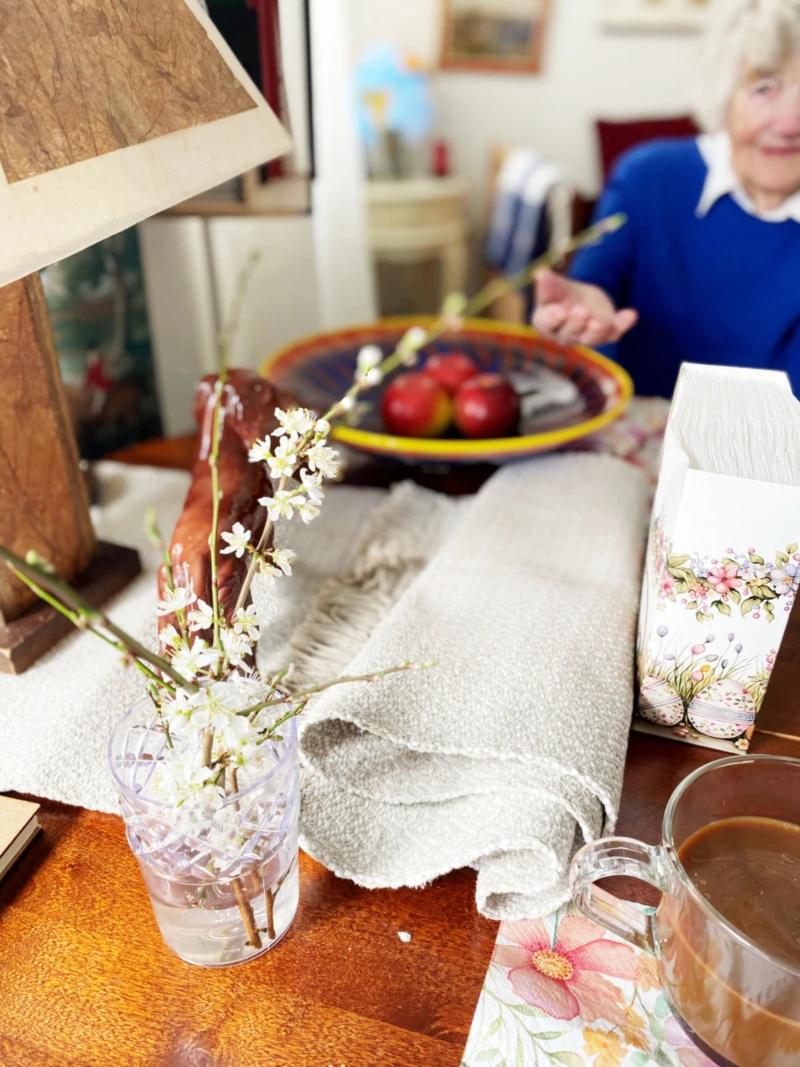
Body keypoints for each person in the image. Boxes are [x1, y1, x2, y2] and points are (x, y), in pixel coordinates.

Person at [533, 0, 800, 398]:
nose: (790, 122)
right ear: (723, 93)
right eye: (763, 89)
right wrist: (581, 315)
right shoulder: (648, 179)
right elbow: (593, 290)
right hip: (647, 436)